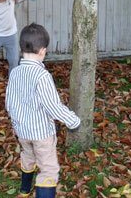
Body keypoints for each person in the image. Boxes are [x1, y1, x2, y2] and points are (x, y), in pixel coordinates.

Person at [6, 23, 81, 198]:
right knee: (48, 169)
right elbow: (53, 106)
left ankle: (24, 190)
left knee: (28, 156)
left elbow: (9, 102)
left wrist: (17, 121)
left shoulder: (15, 72)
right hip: (41, 133)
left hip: (22, 131)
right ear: (42, 51)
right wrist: (73, 121)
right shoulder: (42, 76)